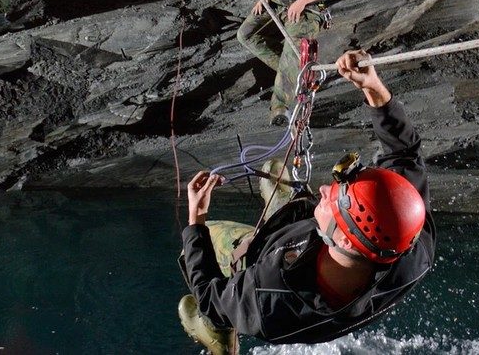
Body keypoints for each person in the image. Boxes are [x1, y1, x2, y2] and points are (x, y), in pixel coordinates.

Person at [177, 50, 435, 352]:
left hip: (267, 265)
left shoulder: (268, 293)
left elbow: (210, 297)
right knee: (290, 189)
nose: (325, 189)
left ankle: (220, 334)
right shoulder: (412, 240)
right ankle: (288, 209)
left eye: (335, 200)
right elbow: (404, 153)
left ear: (345, 240)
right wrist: (372, 86)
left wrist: (196, 219)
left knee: (197, 249)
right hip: (310, 241)